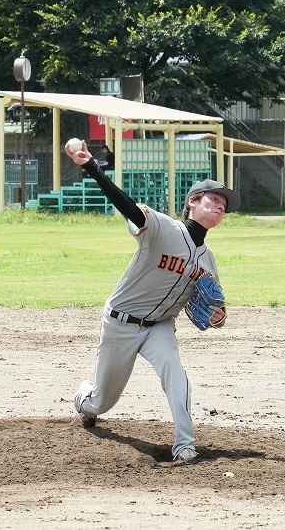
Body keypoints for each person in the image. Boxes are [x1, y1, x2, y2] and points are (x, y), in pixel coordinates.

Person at [66, 139, 240, 462]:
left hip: (160, 327)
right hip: (121, 322)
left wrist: (219, 317)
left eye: (224, 205)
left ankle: (185, 444)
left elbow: (217, 307)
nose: (220, 206)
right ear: (192, 201)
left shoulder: (208, 259)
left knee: (174, 371)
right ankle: (83, 400)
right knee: (103, 401)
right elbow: (128, 207)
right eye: (214, 199)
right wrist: (91, 166)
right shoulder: (162, 228)